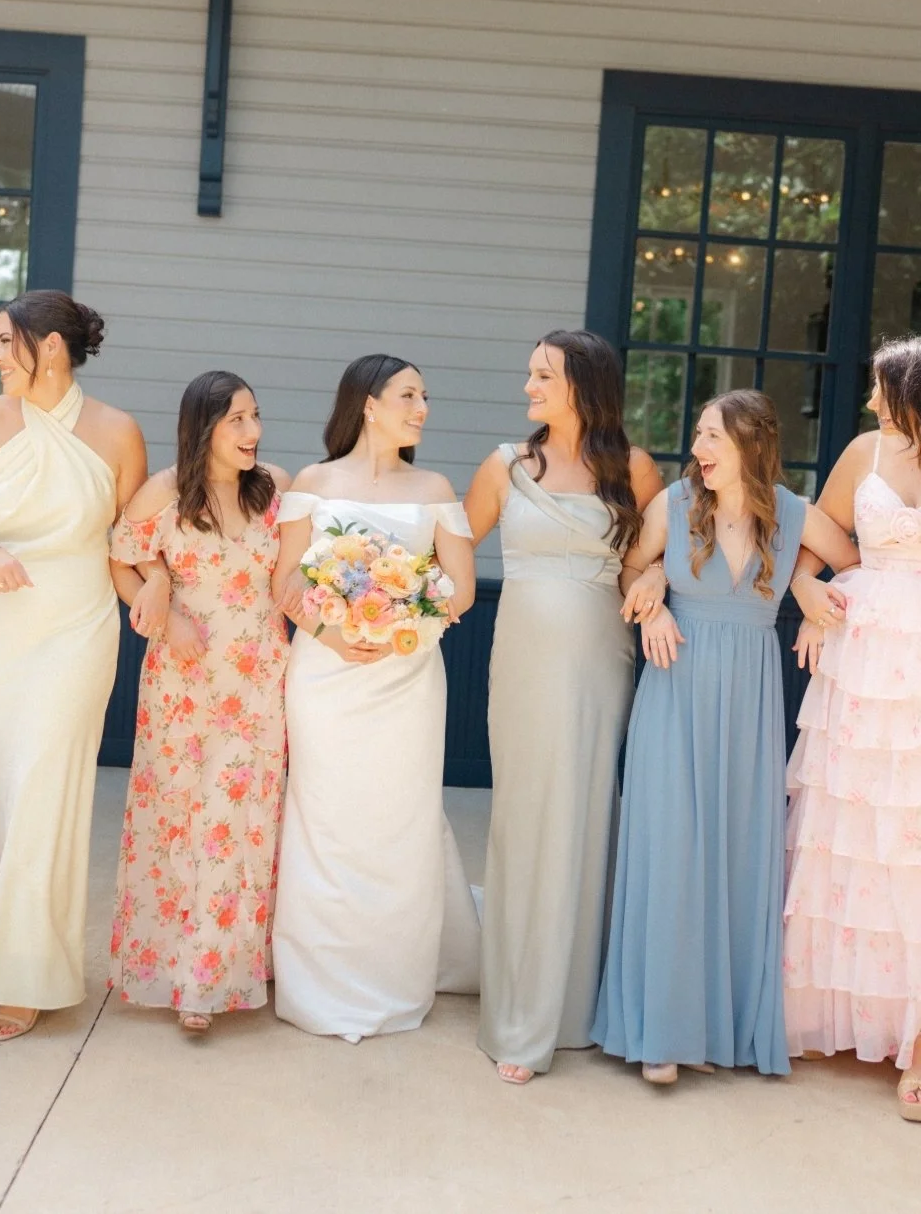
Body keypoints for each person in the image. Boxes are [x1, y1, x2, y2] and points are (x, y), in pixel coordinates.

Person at [592, 389, 857, 1083]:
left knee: (739, 854)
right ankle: (660, 1032)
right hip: (675, 687)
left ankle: (724, 1028)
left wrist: (802, 582)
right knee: (671, 848)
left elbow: (859, 562)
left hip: (748, 702)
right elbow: (629, 568)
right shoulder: (674, 506)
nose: (698, 451)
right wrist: (648, 590)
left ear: (752, 445)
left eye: (712, 437)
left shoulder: (795, 514)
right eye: (699, 435)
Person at [0, 290, 148, 1042]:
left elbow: (129, 544)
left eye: (3, 343)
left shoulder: (120, 432)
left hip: (80, 625)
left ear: (49, 346)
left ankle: (26, 980)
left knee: (49, 791)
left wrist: (156, 601)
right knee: (12, 794)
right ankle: (42, 962)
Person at [463, 330, 661, 1084]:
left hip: (602, 662)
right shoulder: (505, 467)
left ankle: (576, 1007)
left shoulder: (634, 470)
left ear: (582, 383)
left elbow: (654, 555)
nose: (528, 388)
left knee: (585, 817)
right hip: (523, 659)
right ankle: (520, 1013)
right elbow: (449, 546)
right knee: (528, 814)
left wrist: (655, 583)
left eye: (541, 375)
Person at [270, 353, 481, 1042]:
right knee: (326, 819)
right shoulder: (314, 482)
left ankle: (394, 976)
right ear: (368, 403)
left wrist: (402, 619)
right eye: (409, 395)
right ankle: (321, 982)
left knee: (399, 818)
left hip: (408, 678)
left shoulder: (435, 485)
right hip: (326, 675)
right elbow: (287, 585)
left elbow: (462, 589)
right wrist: (334, 632)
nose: (422, 408)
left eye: (425, 396)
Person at [107, 371, 291, 1034]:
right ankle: (175, 969)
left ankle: (215, 976)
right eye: (238, 419)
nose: (253, 432)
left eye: (255, 417)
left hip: (258, 678)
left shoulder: (275, 488)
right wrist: (155, 592)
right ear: (203, 426)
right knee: (178, 821)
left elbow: (295, 573)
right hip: (182, 680)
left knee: (240, 827)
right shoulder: (162, 491)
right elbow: (120, 558)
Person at [783, 336, 921, 1121]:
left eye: (879, 388)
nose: (868, 401)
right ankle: (848, 1010)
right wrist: (805, 587)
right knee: (855, 826)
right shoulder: (863, 450)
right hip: (863, 657)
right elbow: (813, 538)